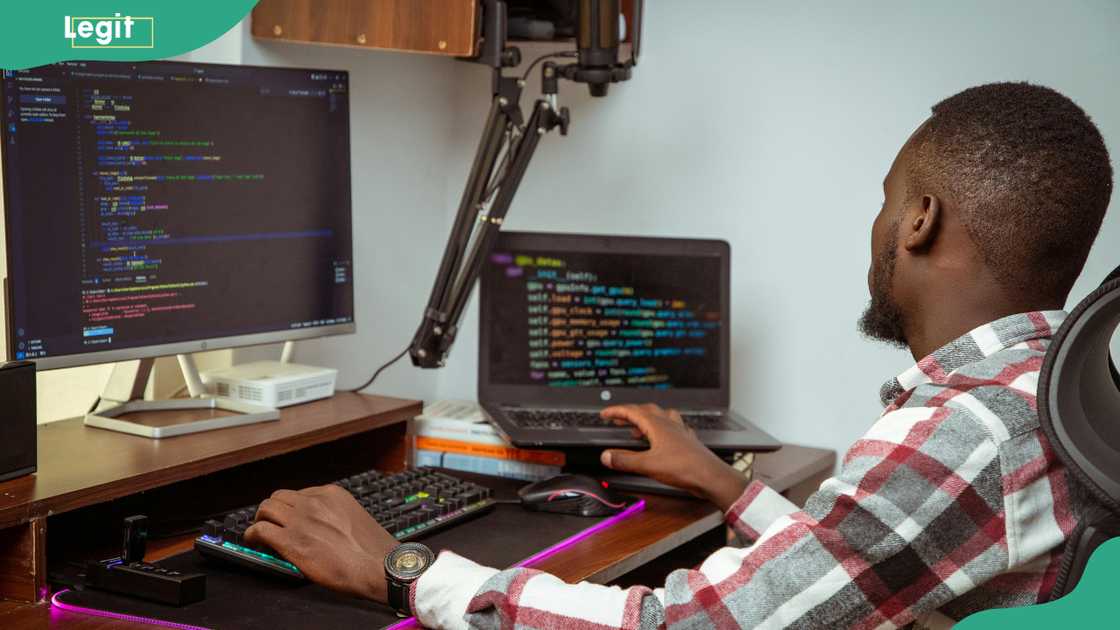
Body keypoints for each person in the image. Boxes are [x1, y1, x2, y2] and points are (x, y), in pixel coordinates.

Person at [244, 82, 1114, 629]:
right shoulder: (1046, 395)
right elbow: (865, 566)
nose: (878, 224)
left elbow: (680, 624)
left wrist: (401, 568)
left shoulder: (961, 432)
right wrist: (729, 486)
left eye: (886, 202)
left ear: (919, 219)